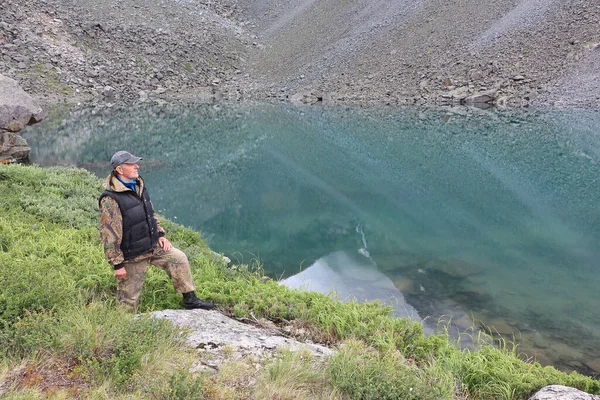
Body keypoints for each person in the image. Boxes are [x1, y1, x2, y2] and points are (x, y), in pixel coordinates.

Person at [99, 150, 214, 310]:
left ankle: (190, 299)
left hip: (152, 245)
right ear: (120, 169)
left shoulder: (138, 185)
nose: (137, 166)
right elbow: (109, 234)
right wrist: (117, 265)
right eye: (132, 164)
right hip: (133, 255)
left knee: (179, 258)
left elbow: (150, 213)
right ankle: (122, 328)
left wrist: (160, 234)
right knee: (128, 301)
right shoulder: (111, 198)